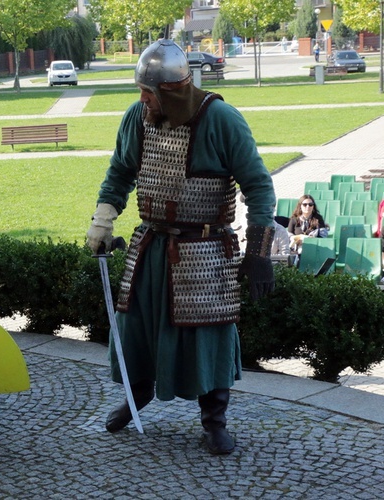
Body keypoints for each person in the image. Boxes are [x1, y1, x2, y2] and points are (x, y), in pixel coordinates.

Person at [86, 39, 276, 455]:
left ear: (171, 92)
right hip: (152, 245)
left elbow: (259, 187)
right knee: (138, 325)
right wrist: (103, 220)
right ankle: (137, 396)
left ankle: (214, 421)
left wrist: (259, 251)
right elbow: (120, 172)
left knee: (208, 334)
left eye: (148, 92)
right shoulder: (138, 118)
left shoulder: (222, 120)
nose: (142, 100)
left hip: (206, 251)